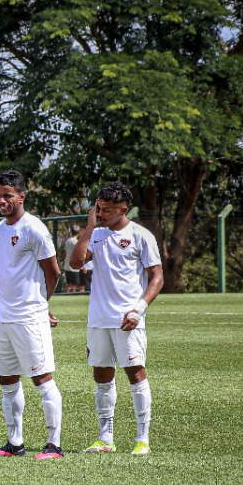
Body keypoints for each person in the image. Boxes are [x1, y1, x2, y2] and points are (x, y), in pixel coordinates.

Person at [70, 182, 163, 455]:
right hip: (98, 319)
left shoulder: (141, 235)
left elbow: (157, 277)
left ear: (124, 209)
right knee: (101, 374)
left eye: (107, 210)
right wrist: (89, 227)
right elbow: (75, 263)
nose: (101, 214)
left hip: (128, 319)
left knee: (135, 373)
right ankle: (105, 438)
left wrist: (139, 309)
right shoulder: (96, 234)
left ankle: (142, 439)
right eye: (99, 208)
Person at [0, 170, 64, 460]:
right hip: (4, 316)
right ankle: (14, 443)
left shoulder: (34, 228)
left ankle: (54, 445)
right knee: (7, 380)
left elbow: (53, 272)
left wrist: (42, 303)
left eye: (8, 195)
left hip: (30, 316)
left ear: (21, 196)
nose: (2, 200)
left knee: (42, 379)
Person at [62, 226, 82, 293]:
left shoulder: (67, 241)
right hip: (74, 266)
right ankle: (72, 294)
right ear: (78, 232)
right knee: (74, 284)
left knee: (69, 283)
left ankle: (66, 294)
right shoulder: (76, 242)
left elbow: (64, 253)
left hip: (67, 265)